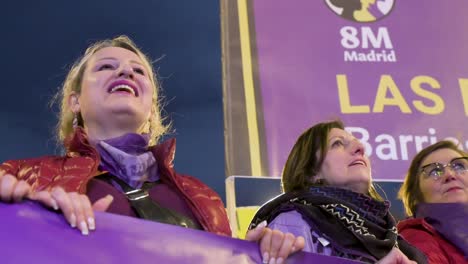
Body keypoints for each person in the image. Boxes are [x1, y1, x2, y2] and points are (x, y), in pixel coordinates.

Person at [0, 35, 303, 263]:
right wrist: (21, 215)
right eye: (106, 67)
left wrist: (257, 253)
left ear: (151, 108)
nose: (126, 73)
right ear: (75, 101)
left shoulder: (203, 197)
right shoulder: (23, 175)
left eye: (138, 71)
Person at [249, 120, 426, 263]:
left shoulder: (393, 238)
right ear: (311, 172)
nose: (360, 148)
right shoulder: (292, 222)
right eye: (338, 143)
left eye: (358, 143)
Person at [398, 140, 468, 263]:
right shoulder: (415, 238)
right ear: (416, 195)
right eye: (435, 171)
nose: (450, 174)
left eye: (459, 166)